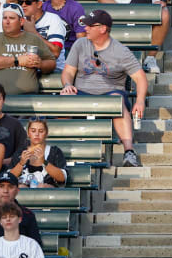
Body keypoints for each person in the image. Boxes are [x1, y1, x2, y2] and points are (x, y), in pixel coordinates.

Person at [60, 10, 147, 168]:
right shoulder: (80, 44)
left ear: (102, 29)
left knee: (117, 102)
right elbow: (68, 71)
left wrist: (140, 101)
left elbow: (140, 77)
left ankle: (129, 151)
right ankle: (59, 150)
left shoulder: (121, 51)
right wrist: (67, 84)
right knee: (63, 103)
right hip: (82, 91)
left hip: (110, 93)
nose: (85, 28)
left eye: (90, 25)